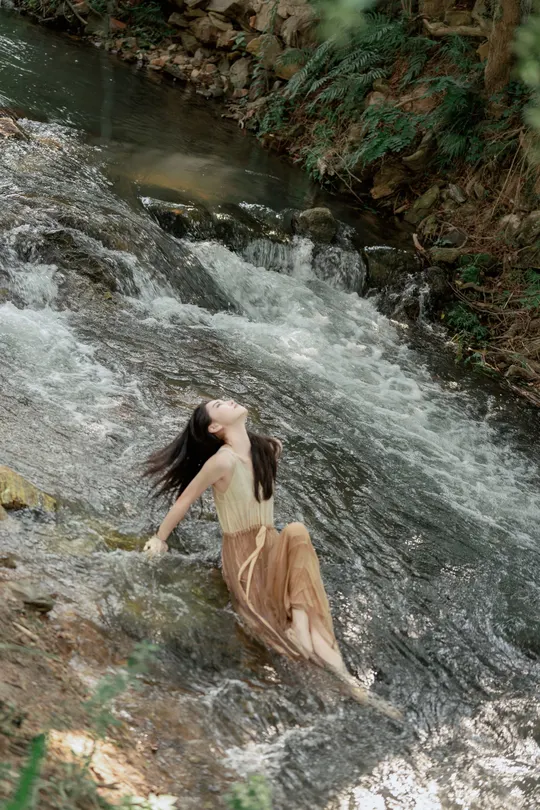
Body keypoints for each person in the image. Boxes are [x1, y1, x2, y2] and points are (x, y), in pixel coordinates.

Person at [143, 399, 401, 719]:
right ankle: (315, 651)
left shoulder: (267, 450)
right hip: (244, 556)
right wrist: (159, 539)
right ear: (215, 427)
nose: (228, 399)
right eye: (219, 404)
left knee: (297, 532)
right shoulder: (222, 462)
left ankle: (347, 679)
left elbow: (269, 450)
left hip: (271, 544)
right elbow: (185, 500)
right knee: (284, 614)